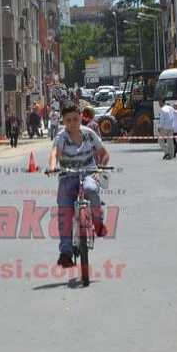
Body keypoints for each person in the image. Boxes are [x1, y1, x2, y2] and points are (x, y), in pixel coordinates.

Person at [48, 102, 110, 268]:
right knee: (65, 213)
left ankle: (98, 223)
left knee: (91, 189)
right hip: (68, 175)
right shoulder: (61, 136)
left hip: (89, 172)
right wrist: (53, 166)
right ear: (63, 121)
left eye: (75, 119)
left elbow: (104, 154)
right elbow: (55, 153)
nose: (72, 123)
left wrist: (100, 169)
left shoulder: (89, 134)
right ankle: (66, 253)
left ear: (81, 118)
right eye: (68, 120)